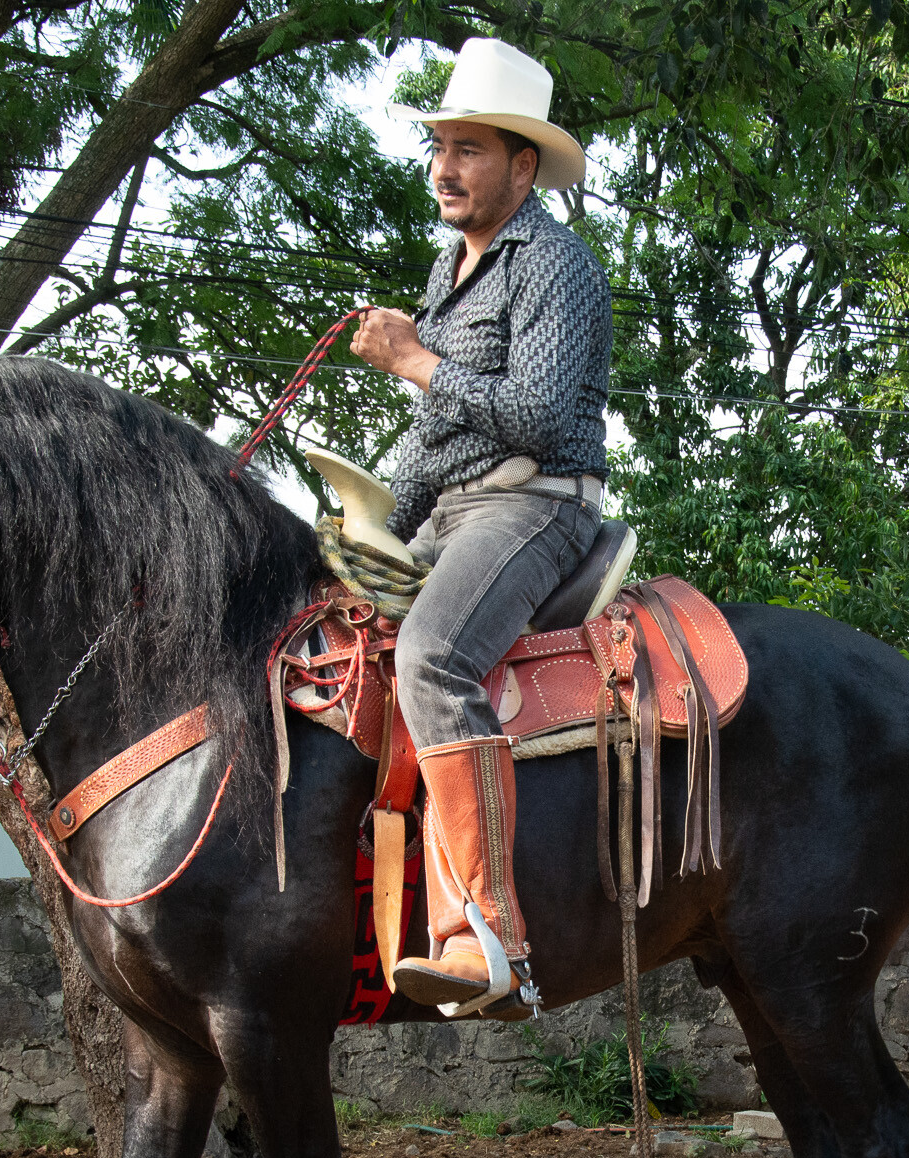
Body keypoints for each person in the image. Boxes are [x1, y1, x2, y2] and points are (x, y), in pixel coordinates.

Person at [349, 36, 612, 1019]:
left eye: (467, 149)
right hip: (451, 511)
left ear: (521, 165)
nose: (443, 169)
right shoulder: (447, 266)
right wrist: (376, 527)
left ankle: (486, 936)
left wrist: (416, 361)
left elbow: (540, 417)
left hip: (533, 505)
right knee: (327, 632)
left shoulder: (557, 266)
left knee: (430, 657)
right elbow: (434, 434)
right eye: (438, 147)